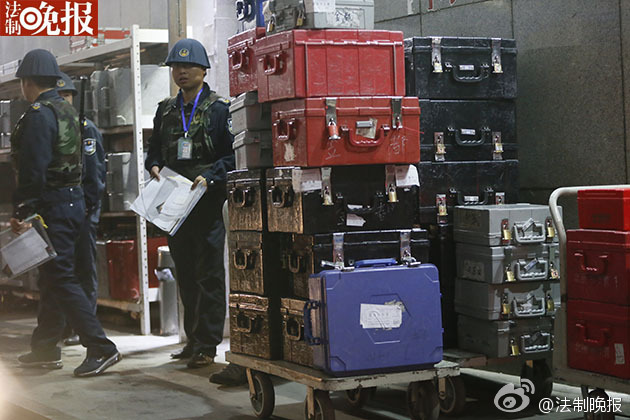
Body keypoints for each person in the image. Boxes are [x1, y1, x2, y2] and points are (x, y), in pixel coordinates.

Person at [11, 49, 120, 377]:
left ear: (26, 82)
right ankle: (45, 348)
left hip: (52, 208)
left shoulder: (39, 114)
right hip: (72, 205)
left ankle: (101, 347)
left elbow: (34, 168)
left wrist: (24, 209)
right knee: (52, 278)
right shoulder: (70, 113)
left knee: (61, 277)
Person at [145, 38, 234, 369]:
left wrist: (210, 177)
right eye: (175, 67)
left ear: (203, 70)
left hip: (206, 203)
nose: (180, 72)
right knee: (184, 271)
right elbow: (154, 149)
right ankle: (192, 339)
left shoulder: (218, 109)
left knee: (208, 273)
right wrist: (152, 165)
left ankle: (208, 343)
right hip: (173, 202)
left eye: (187, 66)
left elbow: (231, 154)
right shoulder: (165, 110)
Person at [56, 72, 106, 346]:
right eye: (59, 95)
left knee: (84, 269)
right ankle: (68, 324)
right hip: (64, 209)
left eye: (67, 95)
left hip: (84, 210)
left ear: (74, 98)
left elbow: (95, 173)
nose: (63, 99)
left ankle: (83, 326)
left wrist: (87, 207)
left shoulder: (85, 128)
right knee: (66, 269)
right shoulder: (55, 128)